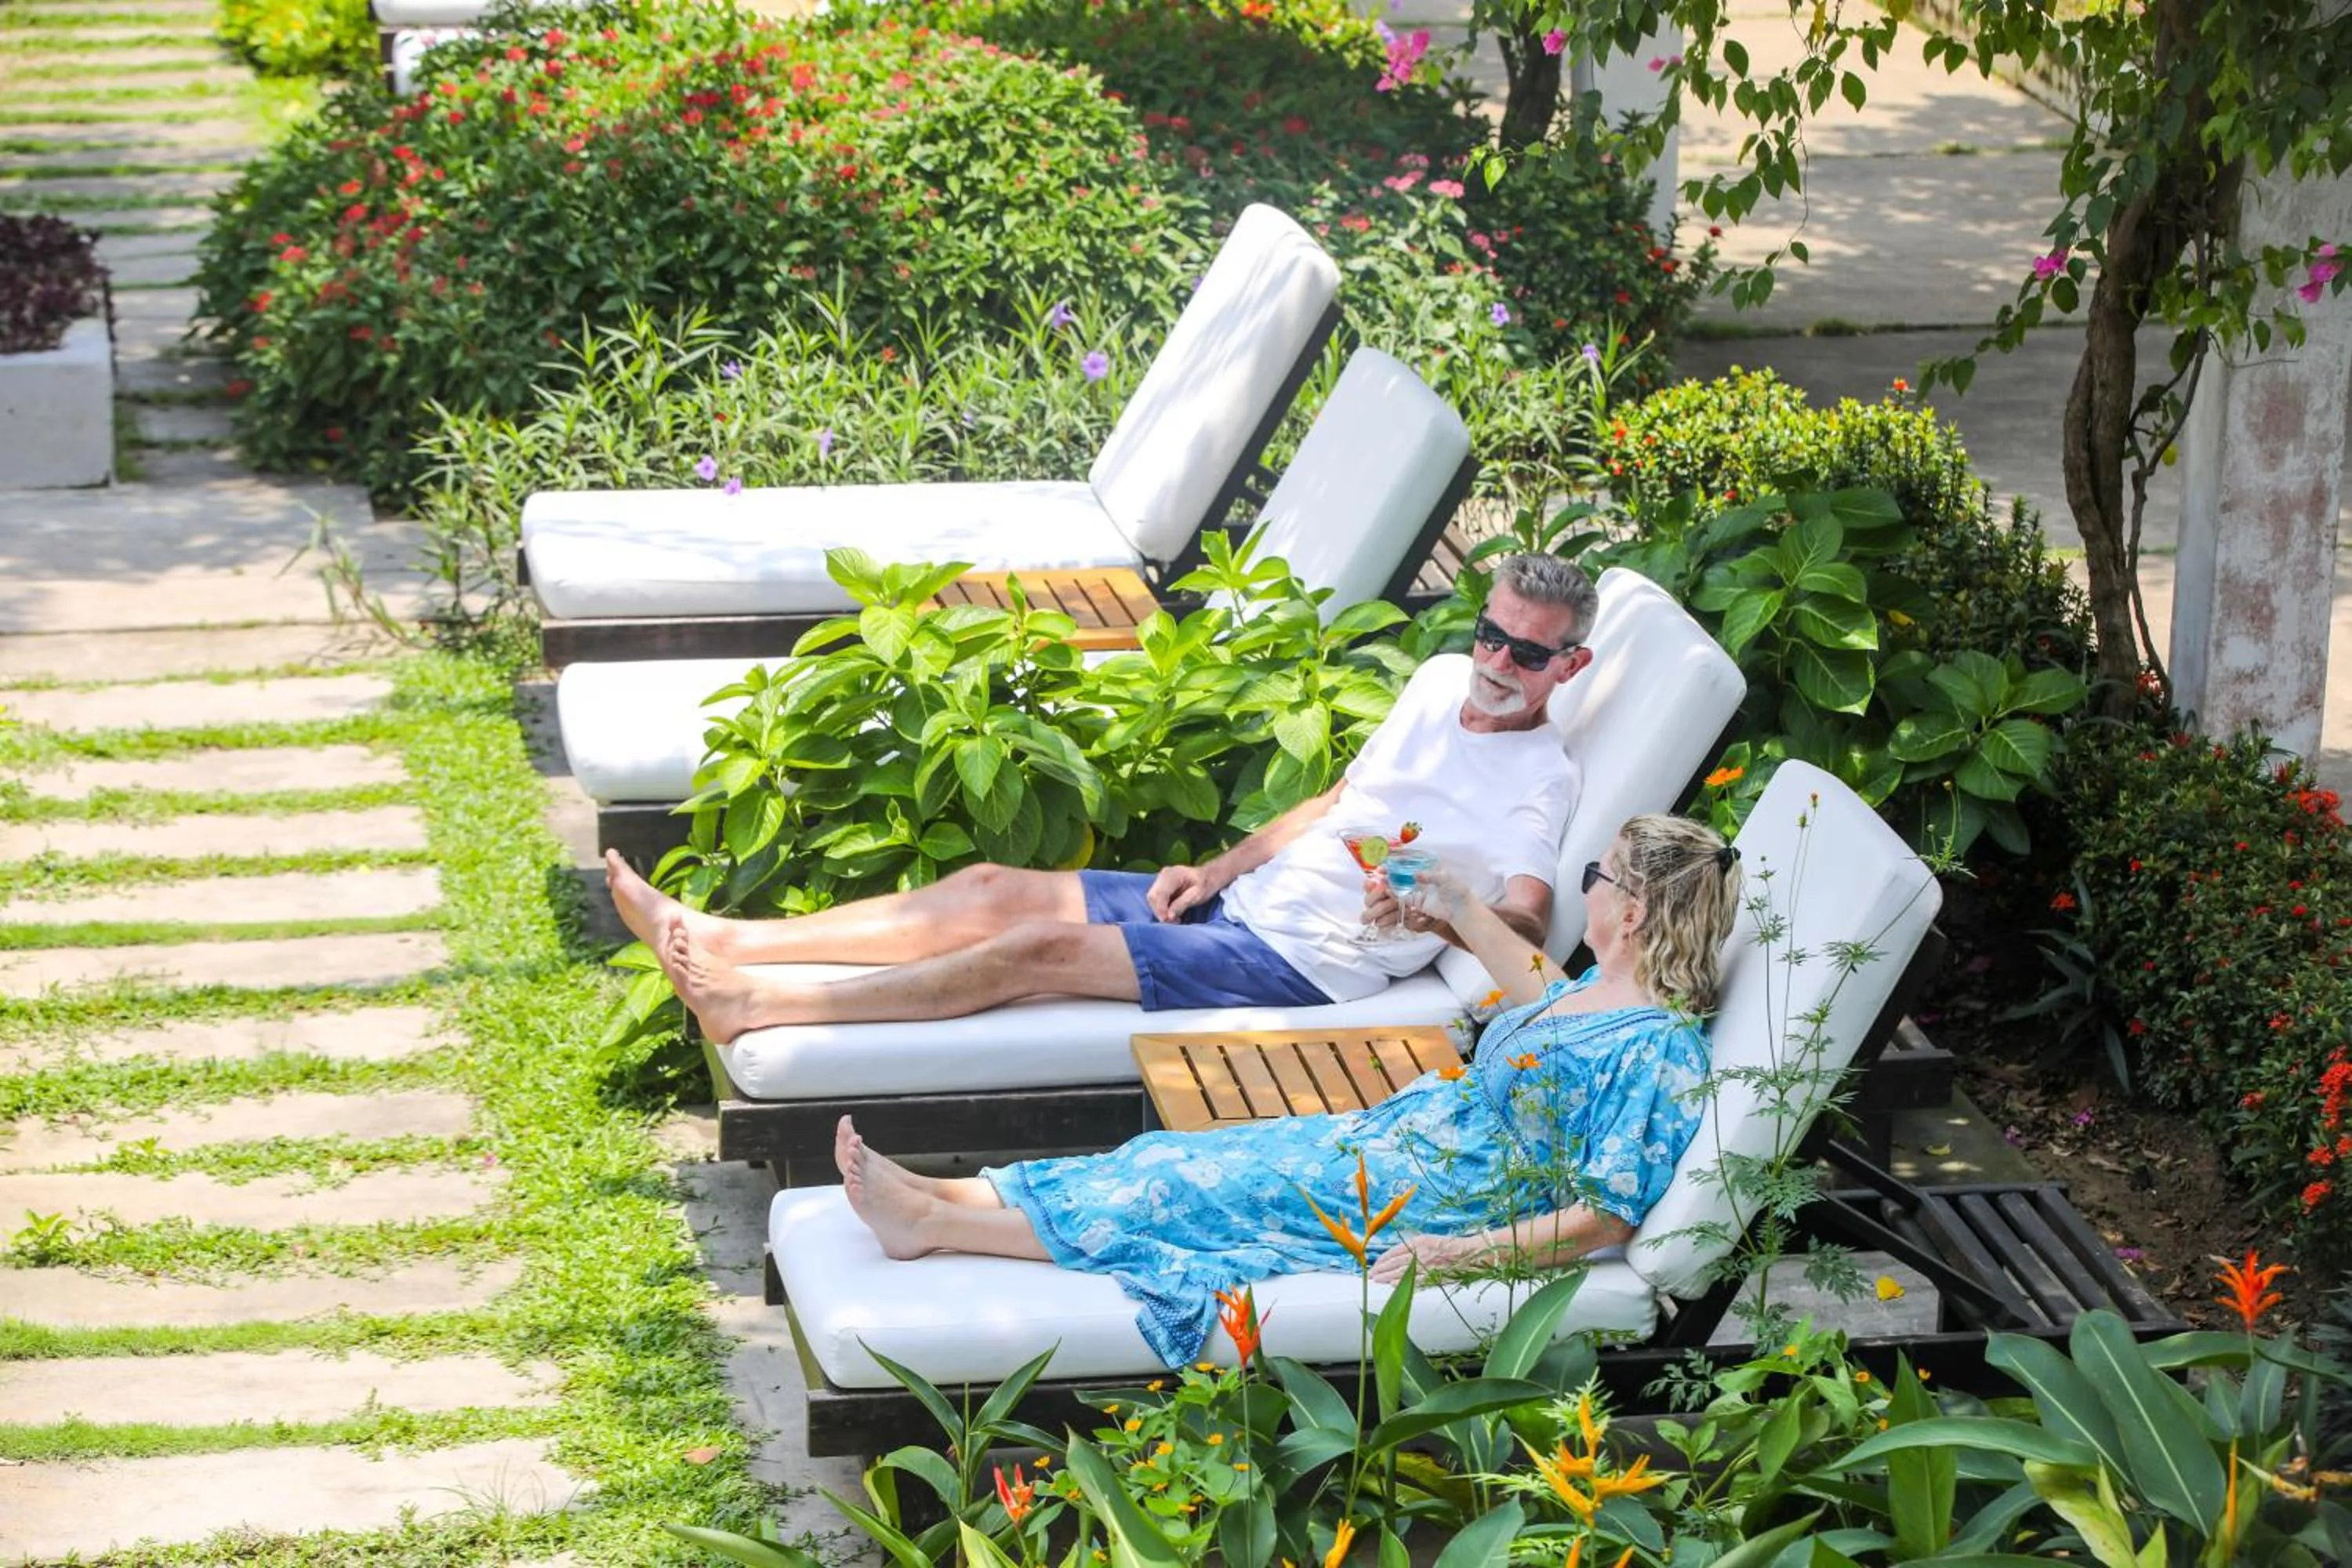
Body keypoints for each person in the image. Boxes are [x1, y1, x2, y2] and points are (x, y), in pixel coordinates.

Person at [831, 813, 1744, 1367]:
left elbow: (1604, 1217)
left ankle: (935, 1225)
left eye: (1597, 875)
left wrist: (1455, 1255)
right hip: (1388, 1146)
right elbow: (1533, 985)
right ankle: (951, 1191)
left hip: (1436, 1199)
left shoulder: (1659, 1051)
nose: (1587, 886)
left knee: (1195, 1196)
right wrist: (1455, 899)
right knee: (1177, 1154)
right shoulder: (1594, 991)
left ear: (1632, 910)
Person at [604, 554, 1600, 1044]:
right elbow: (1340, 797)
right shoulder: (1435, 681)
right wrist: (1215, 868)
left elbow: (1529, 917)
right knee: (991, 885)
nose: (1495, 662)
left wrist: (1442, 908)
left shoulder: (1541, 775)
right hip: (1240, 904)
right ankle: (730, 937)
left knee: (1033, 951)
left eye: (1526, 651)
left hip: (1302, 961)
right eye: (1489, 633)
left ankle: (757, 1003)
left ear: (1570, 665)